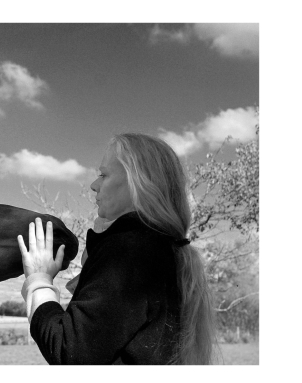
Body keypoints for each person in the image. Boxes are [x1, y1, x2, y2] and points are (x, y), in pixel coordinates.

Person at [17, 133, 215, 365]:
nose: (93, 185)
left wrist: (39, 281)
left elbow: (69, 352)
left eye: (103, 174)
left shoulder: (131, 250)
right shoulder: (161, 248)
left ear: (139, 182)